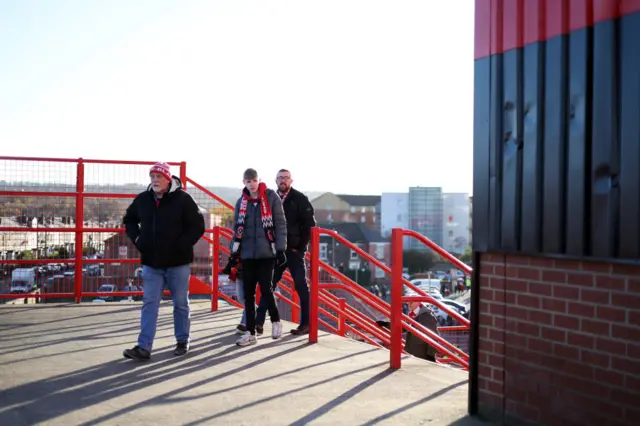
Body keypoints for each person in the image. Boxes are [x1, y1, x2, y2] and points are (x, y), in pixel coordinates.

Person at [121, 162, 205, 360]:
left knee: (180, 303)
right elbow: (129, 220)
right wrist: (138, 239)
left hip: (178, 263)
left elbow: (197, 226)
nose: (155, 180)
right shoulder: (143, 199)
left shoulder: (184, 199)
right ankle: (143, 347)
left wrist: (182, 244)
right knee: (150, 303)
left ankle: (182, 341)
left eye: (159, 177)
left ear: (168, 179)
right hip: (152, 262)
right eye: (152, 177)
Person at [227, 168, 287, 346]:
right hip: (247, 254)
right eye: (248, 181)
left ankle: (276, 321)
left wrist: (281, 249)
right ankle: (250, 333)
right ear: (243, 183)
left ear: (258, 180)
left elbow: (280, 224)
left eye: (254, 181)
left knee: (267, 289)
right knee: (248, 293)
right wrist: (234, 251)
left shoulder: (271, 197)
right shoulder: (241, 202)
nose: (251, 184)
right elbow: (237, 229)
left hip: (267, 252)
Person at [255, 169, 315, 335]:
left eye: (286, 178)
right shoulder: (271, 198)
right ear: (276, 180)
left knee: (301, 286)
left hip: (294, 251)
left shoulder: (300, 199)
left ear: (291, 181)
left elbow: (310, 225)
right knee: (268, 286)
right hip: (275, 251)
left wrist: (300, 247)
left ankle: (306, 324)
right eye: (280, 178)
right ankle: (258, 322)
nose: (283, 181)